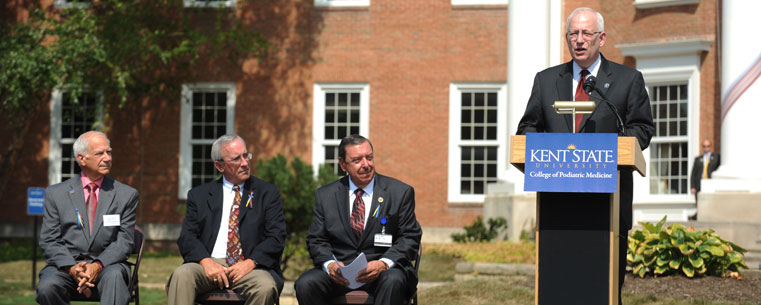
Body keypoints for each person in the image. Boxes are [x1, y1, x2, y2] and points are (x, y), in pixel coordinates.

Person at [516, 7, 654, 305]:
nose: (579, 40)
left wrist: (606, 150)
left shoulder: (628, 80)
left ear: (601, 38)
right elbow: (527, 127)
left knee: (601, 291)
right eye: (573, 34)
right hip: (557, 208)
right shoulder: (546, 80)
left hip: (608, 207)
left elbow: (642, 130)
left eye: (586, 34)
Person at [294, 135, 422, 305]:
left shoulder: (399, 193)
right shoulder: (326, 196)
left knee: (394, 280)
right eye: (357, 160)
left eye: (369, 157)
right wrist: (331, 265)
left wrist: (383, 263)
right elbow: (317, 240)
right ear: (342, 164)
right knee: (306, 283)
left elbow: (410, 237)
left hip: (383, 273)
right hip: (341, 275)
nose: (366, 165)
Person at [166, 134, 286, 305]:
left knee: (265, 286)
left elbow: (276, 237)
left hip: (251, 266)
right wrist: (206, 262)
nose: (245, 163)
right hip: (208, 264)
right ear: (219, 166)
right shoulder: (199, 195)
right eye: (237, 159)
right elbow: (187, 237)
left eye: (246, 155)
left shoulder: (266, 193)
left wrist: (250, 263)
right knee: (181, 275)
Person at [37, 131, 139, 305]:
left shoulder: (126, 195)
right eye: (100, 153)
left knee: (114, 278)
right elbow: (49, 240)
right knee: (48, 287)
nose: (107, 158)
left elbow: (125, 242)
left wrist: (97, 265)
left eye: (109, 152)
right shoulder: (56, 194)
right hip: (67, 266)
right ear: (82, 159)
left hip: (108, 265)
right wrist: (72, 268)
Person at [689, 139, 720, 219]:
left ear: (711, 147)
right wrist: (692, 186)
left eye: (708, 146)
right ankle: (699, 216)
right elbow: (693, 173)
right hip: (699, 183)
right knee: (699, 201)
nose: (706, 148)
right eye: (704, 146)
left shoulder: (716, 158)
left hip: (710, 183)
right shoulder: (698, 159)